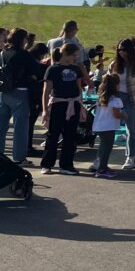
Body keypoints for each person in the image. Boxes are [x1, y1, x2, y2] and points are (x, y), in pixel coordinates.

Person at [40, 43, 88, 175]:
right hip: (58, 103)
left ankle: (66, 165)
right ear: (65, 54)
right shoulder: (52, 69)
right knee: (53, 135)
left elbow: (79, 88)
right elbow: (46, 91)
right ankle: (47, 164)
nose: (75, 58)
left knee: (71, 135)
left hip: (73, 103)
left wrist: (80, 104)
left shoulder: (76, 69)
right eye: (74, 55)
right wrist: (44, 109)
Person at [109, 38, 135, 169]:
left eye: (124, 50)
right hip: (116, 98)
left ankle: (130, 157)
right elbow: (108, 81)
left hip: (132, 98)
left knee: (131, 129)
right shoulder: (114, 64)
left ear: (130, 50)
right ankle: (102, 158)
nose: (121, 52)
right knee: (108, 127)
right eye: (119, 50)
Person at [0, 28, 35, 165]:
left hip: (4, 92)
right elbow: (36, 70)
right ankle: (19, 157)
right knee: (20, 127)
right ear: (22, 40)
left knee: (1, 127)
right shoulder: (24, 55)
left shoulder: (3, 53)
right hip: (20, 92)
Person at [92, 73, 125, 179]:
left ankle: (101, 165)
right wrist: (125, 116)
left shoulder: (101, 99)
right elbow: (116, 115)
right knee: (107, 148)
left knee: (102, 147)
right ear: (115, 85)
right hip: (109, 127)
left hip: (99, 126)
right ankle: (102, 169)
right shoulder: (115, 100)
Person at [25, 42, 49, 155]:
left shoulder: (27, 62)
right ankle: (28, 146)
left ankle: (27, 145)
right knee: (30, 122)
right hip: (34, 96)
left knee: (27, 123)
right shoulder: (38, 66)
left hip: (25, 94)